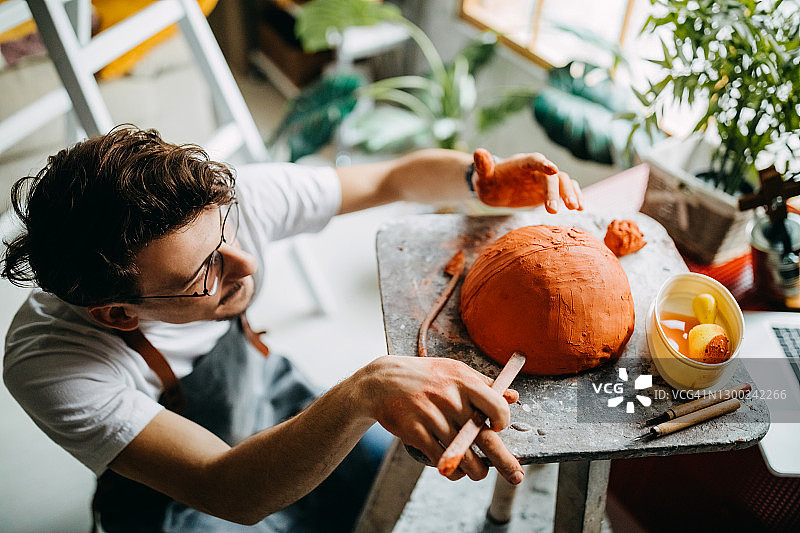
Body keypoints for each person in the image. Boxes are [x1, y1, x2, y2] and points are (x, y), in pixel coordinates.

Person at [1, 126, 583, 532]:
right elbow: (228, 490)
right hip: (180, 494)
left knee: (400, 487)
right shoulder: (50, 364)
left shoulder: (225, 202)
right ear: (118, 314)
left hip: (274, 400)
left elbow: (393, 178)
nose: (245, 264)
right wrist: (364, 391)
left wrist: (480, 182)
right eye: (205, 272)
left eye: (226, 233)